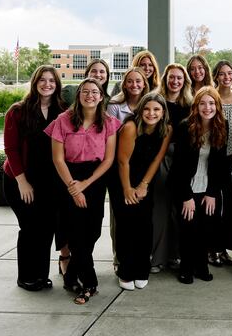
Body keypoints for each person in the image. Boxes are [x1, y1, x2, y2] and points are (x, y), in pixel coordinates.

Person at [45, 78, 120, 304]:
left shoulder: (109, 122)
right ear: (79, 96)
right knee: (76, 235)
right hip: (68, 177)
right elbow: (57, 159)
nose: (90, 95)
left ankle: (69, 276)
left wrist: (84, 186)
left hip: (95, 180)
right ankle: (89, 284)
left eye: (95, 92)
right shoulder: (63, 121)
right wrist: (73, 188)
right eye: (85, 91)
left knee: (92, 232)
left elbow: (108, 160)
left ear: (101, 96)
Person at [3, 65, 66, 292]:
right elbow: (11, 149)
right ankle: (27, 277)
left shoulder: (63, 111)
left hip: (50, 183)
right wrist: (22, 181)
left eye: (51, 80)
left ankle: (41, 276)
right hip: (21, 181)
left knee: (47, 228)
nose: (47, 84)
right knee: (30, 228)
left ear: (57, 85)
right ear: (35, 82)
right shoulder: (18, 111)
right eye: (42, 79)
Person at [110, 92, 171, 291]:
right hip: (122, 178)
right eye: (146, 108)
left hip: (146, 178)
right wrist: (127, 189)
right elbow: (122, 161)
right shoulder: (130, 127)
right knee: (127, 224)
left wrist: (144, 184)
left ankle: (141, 269)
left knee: (144, 225)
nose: (151, 113)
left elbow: (156, 159)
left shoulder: (166, 129)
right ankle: (126, 271)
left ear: (163, 113)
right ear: (140, 110)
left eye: (156, 109)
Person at [170, 86, 229, 284]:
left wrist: (212, 192)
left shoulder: (222, 126)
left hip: (209, 187)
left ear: (217, 106)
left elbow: (220, 165)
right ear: (196, 106)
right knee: (188, 228)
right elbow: (177, 166)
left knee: (206, 228)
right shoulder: (185, 127)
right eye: (203, 103)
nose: (207, 107)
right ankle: (186, 266)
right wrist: (186, 196)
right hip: (185, 187)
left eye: (211, 103)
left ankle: (201, 264)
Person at [150, 64, 195, 273]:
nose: (175, 81)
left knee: (179, 210)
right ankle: (158, 258)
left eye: (179, 78)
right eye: (171, 77)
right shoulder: (156, 101)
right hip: (161, 157)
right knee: (161, 208)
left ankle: (175, 255)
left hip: (183, 158)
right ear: (164, 79)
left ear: (184, 80)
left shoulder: (190, 103)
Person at [210, 60, 232, 266]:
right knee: (215, 204)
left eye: (229, 73)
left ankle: (224, 248)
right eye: (222, 74)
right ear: (216, 76)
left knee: (231, 205)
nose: (226, 77)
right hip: (216, 157)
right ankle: (212, 248)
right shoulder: (211, 97)